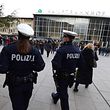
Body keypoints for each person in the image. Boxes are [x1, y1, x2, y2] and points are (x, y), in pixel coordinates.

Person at [0, 23, 45, 110]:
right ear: (29, 37)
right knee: (24, 106)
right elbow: (41, 66)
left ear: (18, 34)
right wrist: (31, 66)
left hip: (14, 84)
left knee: (16, 106)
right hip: (28, 83)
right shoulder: (34, 50)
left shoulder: (8, 49)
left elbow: (2, 68)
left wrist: (11, 66)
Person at [51, 30, 84, 110]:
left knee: (64, 95)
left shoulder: (62, 50)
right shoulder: (77, 50)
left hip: (62, 76)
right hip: (71, 76)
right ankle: (55, 97)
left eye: (64, 36)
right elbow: (81, 64)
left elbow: (55, 64)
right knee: (62, 89)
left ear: (67, 39)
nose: (62, 38)